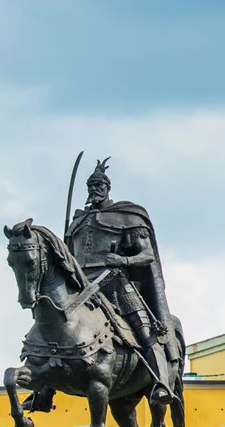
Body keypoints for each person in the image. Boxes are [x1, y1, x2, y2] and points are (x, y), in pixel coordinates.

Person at [65, 158, 174, 404]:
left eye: (99, 185)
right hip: (82, 288)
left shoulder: (126, 216)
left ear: (107, 187)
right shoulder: (78, 222)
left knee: (145, 330)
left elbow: (146, 255)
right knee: (57, 324)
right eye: (91, 185)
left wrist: (122, 261)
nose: (94, 189)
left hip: (115, 283)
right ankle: (43, 391)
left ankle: (162, 384)